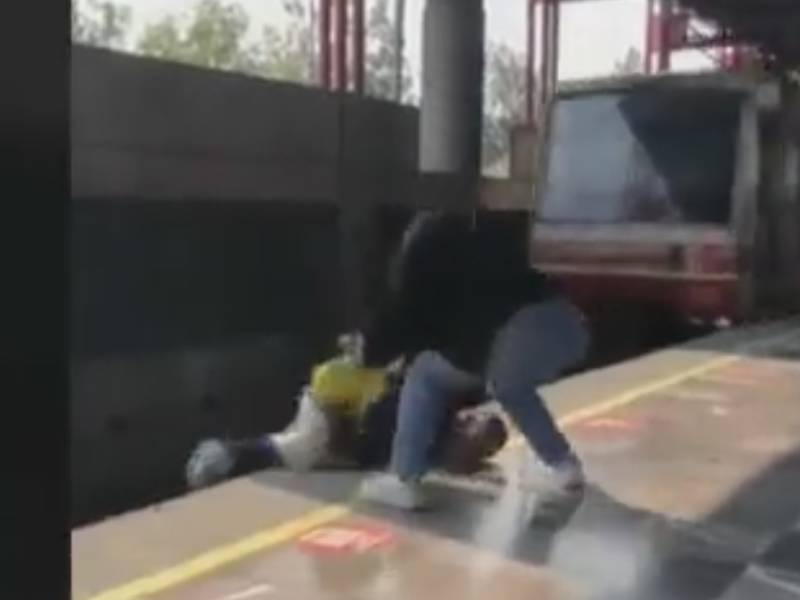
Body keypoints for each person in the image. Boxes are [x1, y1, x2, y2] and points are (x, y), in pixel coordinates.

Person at [356, 210, 590, 510]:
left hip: (522, 328)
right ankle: (562, 466)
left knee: (482, 381)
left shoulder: (423, 245)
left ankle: (404, 479)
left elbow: (406, 312)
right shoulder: (475, 234)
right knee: (458, 377)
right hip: (562, 324)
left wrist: (366, 349)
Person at [184, 342, 508, 490]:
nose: (476, 448)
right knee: (307, 447)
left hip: (365, 410)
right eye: (478, 437)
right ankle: (221, 456)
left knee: (336, 460)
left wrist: (480, 471)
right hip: (337, 394)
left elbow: (456, 464)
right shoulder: (431, 409)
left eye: (483, 449)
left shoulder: (444, 441)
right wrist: (340, 436)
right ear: (465, 422)